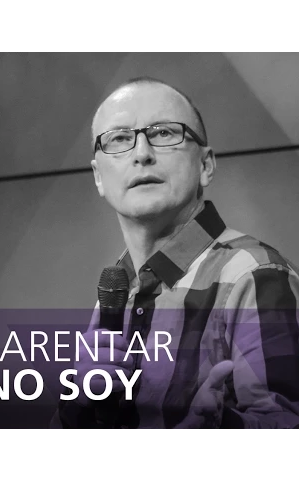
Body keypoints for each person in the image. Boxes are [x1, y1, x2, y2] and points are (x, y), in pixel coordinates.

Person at [51, 76, 299, 429]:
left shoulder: (255, 275)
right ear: (98, 177)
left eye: (164, 133)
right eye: (119, 139)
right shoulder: (117, 292)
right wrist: (79, 402)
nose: (141, 154)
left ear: (206, 165)